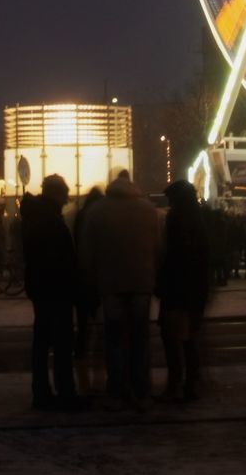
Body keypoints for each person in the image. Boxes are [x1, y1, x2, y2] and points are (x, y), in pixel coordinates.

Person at [79, 170, 159, 409]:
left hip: (110, 286)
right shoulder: (148, 210)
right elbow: (159, 248)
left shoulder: (97, 211)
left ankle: (117, 386)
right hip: (141, 285)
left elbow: (87, 253)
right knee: (140, 338)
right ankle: (140, 387)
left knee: (114, 339)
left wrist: (90, 281)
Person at [20, 174, 82, 410]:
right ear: (56, 194)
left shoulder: (35, 216)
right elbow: (62, 259)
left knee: (42, 343)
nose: (66, 201)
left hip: (41, 287)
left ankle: (42, 392)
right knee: (63, 344)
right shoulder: (51, 221)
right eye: (64, 196)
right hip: (56, 289)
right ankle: (65, 393)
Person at [156, 181, 210, 402]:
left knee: (171, 337)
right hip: (194, 289)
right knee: (189, 338)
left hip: (176, 289)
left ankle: (176, 383)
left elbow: (170, 256)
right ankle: (191, 382)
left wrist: (161, 283)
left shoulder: (175, 221)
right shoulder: (198, 220)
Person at [72, 186, 103, 396]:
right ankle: (99, 376)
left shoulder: (81, 216)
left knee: (83, 330)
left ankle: (83, 380)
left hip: (82, 280)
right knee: (103, 330)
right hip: (101, 280)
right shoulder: (101, 218)